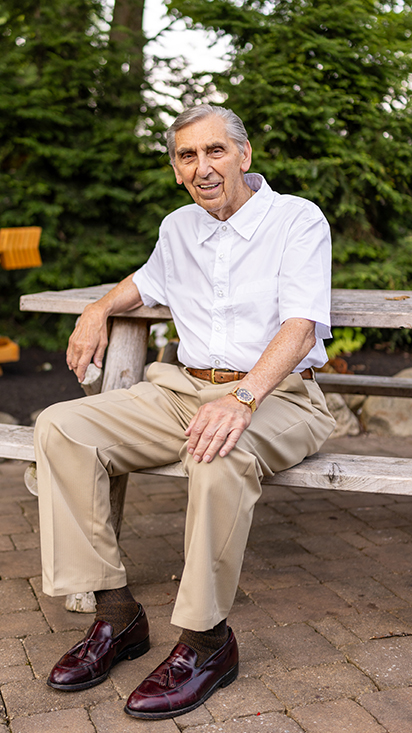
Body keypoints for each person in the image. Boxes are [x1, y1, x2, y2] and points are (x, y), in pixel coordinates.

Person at [34, 104, 335, 720]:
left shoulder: (296, 220)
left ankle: (206, 643)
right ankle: (117, 619)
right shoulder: (179, 228)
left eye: (215, 151)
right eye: (187, 156)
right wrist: (96, 309)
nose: (202, 167)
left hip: (278, 396)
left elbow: (301, 329)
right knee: (62, 426)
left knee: (217, 453)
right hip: (182, 390)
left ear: (245, 156)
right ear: (176, 170)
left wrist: (244, 396)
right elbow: (144, 282)